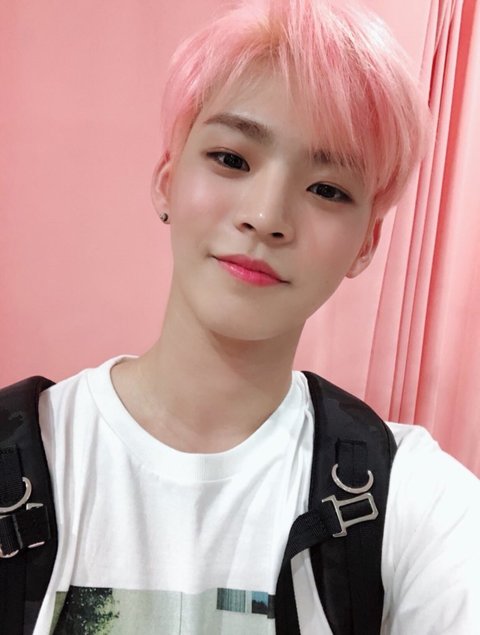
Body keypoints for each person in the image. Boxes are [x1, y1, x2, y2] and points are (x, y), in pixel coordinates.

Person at [29, 0, 479, 633]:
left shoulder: (414, 497)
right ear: (166, 180)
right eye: (232, 159)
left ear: (366, 244)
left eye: (327, 189)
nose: (266, 217)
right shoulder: (25, 453)